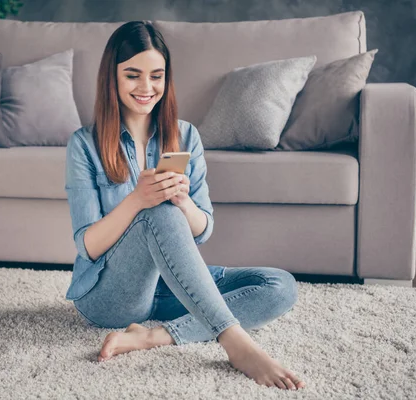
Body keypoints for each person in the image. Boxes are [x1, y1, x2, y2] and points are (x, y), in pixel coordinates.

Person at [64, 20, 306, 391]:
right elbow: (87, 245)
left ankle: (154, 337)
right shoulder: (83, 145)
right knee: (156, 212)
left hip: (170, 288)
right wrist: (136, 202)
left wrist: (182, 201)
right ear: (111, 78)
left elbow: (203, 228)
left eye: (156, 76)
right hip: (108, 295)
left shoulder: (186, 135)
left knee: (279, 285)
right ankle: (235, 342)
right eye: (133, 75)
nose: (147, 88)